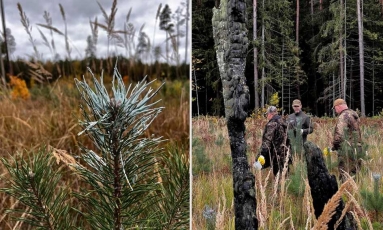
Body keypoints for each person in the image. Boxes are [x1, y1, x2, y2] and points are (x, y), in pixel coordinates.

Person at [331, 98, 363, 182]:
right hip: (358, 148)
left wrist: (334, 146)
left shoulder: (343, 116)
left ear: (338, 107)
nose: (335, 110)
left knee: (344, 175)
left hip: (347, 150)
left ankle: (345, 194)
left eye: (335, 108)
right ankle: (355, 194)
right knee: (355, 175)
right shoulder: (353, 114)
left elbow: (339, 134)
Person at [257, 106, 290, 176]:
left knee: (258, 165)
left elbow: (267, 140)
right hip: (285, 152)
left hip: (276, 153)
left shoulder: (272, 124)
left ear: (270, 114)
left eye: (267, 114)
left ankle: (257, 177)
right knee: (285, 174)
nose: (266, 116)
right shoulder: (284, 122)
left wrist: (262, 154)